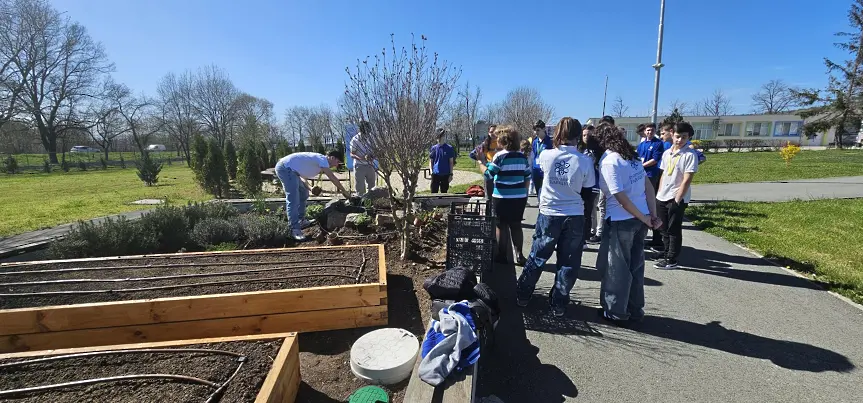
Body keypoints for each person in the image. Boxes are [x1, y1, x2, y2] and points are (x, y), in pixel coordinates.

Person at [515, 117, 595, 317]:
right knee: (569, 261)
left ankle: (523, 294)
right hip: (574, 213)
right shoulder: (585, 161)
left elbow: (539, 177)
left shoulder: (546, 155)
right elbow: (588, 192)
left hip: (549, 211)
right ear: (579, 136)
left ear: (558, 134)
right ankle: (558, 302)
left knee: (538, 255)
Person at [595, 122, 660, 325]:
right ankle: (634, 308)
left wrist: (645, 218)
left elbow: (619, 196)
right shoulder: (632, 158)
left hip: (622, 220)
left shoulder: (609, 161)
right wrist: (651, 216)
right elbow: (648, 187)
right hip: (640, 219)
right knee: (635, 266)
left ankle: (615, 311)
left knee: (617, 269)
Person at [480, 126, 530, 266]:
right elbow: (527, 176)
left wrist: (480, 162)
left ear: (503, 141)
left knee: (501, 226)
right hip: (519, 197)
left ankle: (502, 255)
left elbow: (488, 174)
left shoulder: (499, 156)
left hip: (502, 197)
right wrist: (524, 194)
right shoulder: (522, 156)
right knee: (516, 225)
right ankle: (519, 254)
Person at [275, 151, 351, 241]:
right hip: (285, 168)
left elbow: (301, 176)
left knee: (304, 193)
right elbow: (332, 177)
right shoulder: (322, 160)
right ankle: (294, 229)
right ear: (332, 158)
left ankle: (301, 221)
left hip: (291, 171)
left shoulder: (317, 161)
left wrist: (310, 188)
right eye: (338, 162)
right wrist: (344, 191)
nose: (337, 165)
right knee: (293, 199)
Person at [654, 122, 699, 269]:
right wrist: (659, 192)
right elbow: (663, 174)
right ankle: (666, 252)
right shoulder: (667, 153)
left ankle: (672, 258)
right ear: (672, 134)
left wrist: (677, 199)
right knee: (663, 227)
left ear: (689, 137)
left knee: (673, 229)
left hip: (677, 197)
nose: (680, 140)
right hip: (662, 195)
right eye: (678, 136)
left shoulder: (689, 155)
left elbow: (687, 179)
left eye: (684, 137)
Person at [636, 123, 665, 249]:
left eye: (652, 130)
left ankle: (654, 230)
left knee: (650, 199)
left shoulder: (658, 144)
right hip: (640, 174)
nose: (649, 132)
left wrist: (642, 166)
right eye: (648, 130)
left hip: (651, 174)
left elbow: (655, 159)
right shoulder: (641, 144)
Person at [579, 124, 603, 250]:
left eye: (589, 135)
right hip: (579, 184)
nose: (586, 137)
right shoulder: (579, 149)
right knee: (580, 212)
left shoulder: (598, 150)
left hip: (593, 184)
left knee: (588, 211)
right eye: (584, 135)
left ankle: (585, 238)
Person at [350, 121, 376, 196]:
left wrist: (372, 156)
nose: (366, 134)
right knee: (360, 188)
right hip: (359, 165)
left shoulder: (372, 138)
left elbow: (375, 151)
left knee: (372, 188)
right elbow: (352, 154)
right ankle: (361, 205)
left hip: (370, 165)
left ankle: (371, 204)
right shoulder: (355, 139)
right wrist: (362, 158)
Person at [530, 120, 552, 198]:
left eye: (538, 130)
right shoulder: (535, 142)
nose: (536, 132)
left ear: (544, 129)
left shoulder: (550, 142)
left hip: (545, 170)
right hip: (535, 169)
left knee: (545, 194)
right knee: (538, 193)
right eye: (535, 130)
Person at [477, 124, 500, 200]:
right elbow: (474, 154)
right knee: (488, 194)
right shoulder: (485, 144)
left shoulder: (501, 143)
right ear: (488, 133)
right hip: (489, 167)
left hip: (499, 170)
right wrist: (483, 162)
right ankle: (489, 207)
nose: (493, 134)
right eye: (491, 132)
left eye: (495, 132)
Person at [429, 128, 455, 193]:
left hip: (445, 174)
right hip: (435, 174)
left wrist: (451, 174)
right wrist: (431, 171)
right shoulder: (433, 148)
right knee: (434, 192)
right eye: (441, 136)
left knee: (444, 192)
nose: (442, 138)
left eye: (443, 136)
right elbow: (431, 161)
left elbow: (451, 162)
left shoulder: (449, 148)